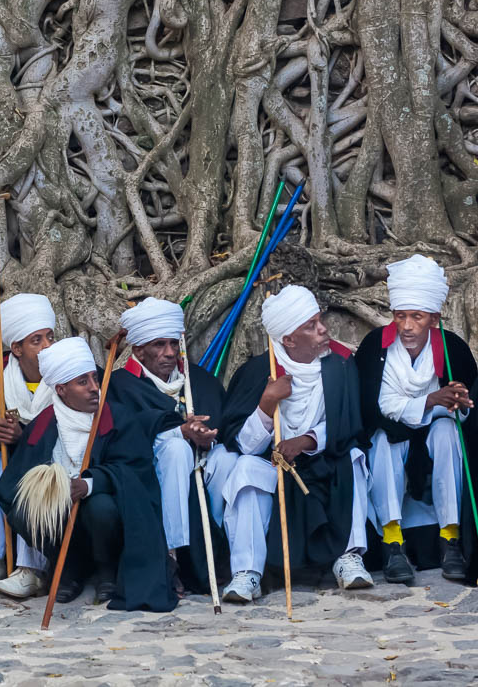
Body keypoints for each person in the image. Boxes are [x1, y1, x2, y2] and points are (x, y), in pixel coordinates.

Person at [0, 337, 177, 611]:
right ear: (61, 389)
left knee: (100, 506)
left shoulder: (117, 417)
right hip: (61, 519)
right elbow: (12, 485)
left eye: (94, 378)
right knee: (23, 508)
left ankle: (107, 569)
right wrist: (47, 485)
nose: (95, 388)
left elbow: (134, 469)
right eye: (83, 382)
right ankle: (67, 567)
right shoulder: (43, 424)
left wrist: (90, 484)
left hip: (104, 514)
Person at [218, 286, 373, 603]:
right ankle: (247, 573)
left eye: (320, 320)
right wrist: (266, 403)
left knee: (354, 456)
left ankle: (349, 557)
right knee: (245, 469)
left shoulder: (339, 367)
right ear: (288, 339)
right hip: (273, 468)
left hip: (322, 460)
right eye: (311, 325)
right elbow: (242, 445)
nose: (322, 329)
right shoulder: (260, 371)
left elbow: (348, 425)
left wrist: (306, 441)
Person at [355, 255, 476, 583]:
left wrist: (461, 404)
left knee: (448, 433)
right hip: (394, 434)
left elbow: (469, 411)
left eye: (416, 317)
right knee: (382, 442)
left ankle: (450, 538)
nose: (407, 326)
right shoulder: (374, 347)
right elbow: (377, 406)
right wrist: (431, 399)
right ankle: (393, 542)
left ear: (433, 318)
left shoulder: (451, 349)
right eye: (400, 316)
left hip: (435, 431)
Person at [108, 298, 233, 594]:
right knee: (176, 451)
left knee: (228, 460)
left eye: (173, 344)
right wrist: (179, 432)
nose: (169, 353)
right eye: (158, 345)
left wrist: (204, 432)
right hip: (153, 473)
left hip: (202, 463)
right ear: (138, 350)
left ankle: (220, 552)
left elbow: (223, 425)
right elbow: (125, 436)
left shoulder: (198, 380)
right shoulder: (119, 386)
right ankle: (171, 558)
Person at [0, 293, 54, 599]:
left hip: (50, 462)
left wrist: (26, 435)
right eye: (37, 340)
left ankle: (30, 570)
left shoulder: (62, 381)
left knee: (38, 468)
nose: (47, 346)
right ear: (16, 348)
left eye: (49, 338)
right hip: (8, 459)